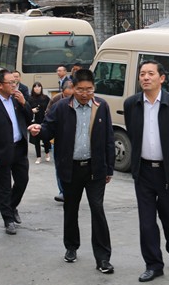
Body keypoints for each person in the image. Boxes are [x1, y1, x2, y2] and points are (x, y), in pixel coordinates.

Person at [28, 69, 115, 274]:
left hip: (95, 169)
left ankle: (103, 258)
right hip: (71, 168)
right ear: (73, 88)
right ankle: (71, 247)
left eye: (89, 89)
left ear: (94, 88)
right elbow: (48, 129)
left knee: (98, 210)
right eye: (80, 89)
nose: (85, 94)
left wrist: (109, 168)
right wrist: (38, 131)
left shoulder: (101, 106)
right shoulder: (61, 107)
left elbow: (109, 138)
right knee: (71, 209)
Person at [123, 60, 169, 283]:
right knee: (147, 222)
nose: (145, 77)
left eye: (150, 73)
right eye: (142, 74)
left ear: (161, 78)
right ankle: (153, 265)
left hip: (168, 172)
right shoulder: (132, 104)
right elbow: (133, 134)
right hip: (143, 172)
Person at [0, 69, 33, 235]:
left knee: (22, 180)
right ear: (0, 85)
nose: (14, 85)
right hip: (1, 150)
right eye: (10, 83)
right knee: (4, 187)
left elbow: (29, 118)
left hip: (19, 147)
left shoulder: (17, 99)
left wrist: (24, 103)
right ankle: (8, 219)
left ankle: (12, 206)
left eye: (15, 82)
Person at [47, 79, 76, 202]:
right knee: (59, 166)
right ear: (62, 92)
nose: (68, 99)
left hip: (74, 140)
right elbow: (48, 115)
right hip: (58, 139)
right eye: (66, 96)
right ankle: (62, 192)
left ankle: (72, 191)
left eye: (71, 96)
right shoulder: (56, 100)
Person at [28, 82, 51, 164]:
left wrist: (47, 112)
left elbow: (51, 106)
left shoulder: (45, 97)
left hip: (44, 121)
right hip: (35, 121)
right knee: (36, 140)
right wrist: (32, 110)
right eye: (35, 87)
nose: (37, 88)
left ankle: (47, 153)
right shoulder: (30, 99)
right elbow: (27, 109)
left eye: (39, 86)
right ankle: (38, 157)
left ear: (41, 88)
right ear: (33, 88)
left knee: (46, 138)